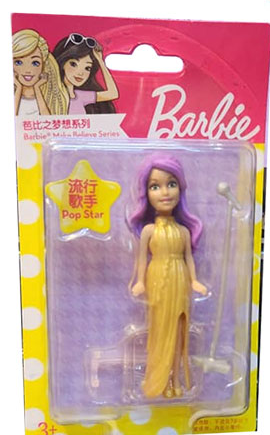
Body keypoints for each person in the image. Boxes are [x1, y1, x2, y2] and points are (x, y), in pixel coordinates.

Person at [128, 154, 207, 398]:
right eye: (155, 186)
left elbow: (189, 258)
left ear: (180, 188)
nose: (165, 192)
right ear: (146, 193)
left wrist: (194, 280)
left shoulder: (184, 231)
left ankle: (175, 380)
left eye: (171, 184)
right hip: (157, 280)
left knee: (179, 332)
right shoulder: (148, 231)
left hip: (180, 280)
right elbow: (142, 259)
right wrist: (140, 281)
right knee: (160, 331)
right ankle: (158, 381)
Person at [52, 33, 119, 114]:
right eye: (73, 64)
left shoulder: (80, 96)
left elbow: (113, 94)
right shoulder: (51, 95)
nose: (81, 73)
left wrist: (101, 61)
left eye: (87, 68)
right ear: (63, 63)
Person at [13, 29, 68, 116]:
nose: (27, 70)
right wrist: (18, 88)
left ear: (43, 65)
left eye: (35, 63)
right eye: (18, 62)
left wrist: (37, 88)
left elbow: (47, 120)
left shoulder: (48, 98)